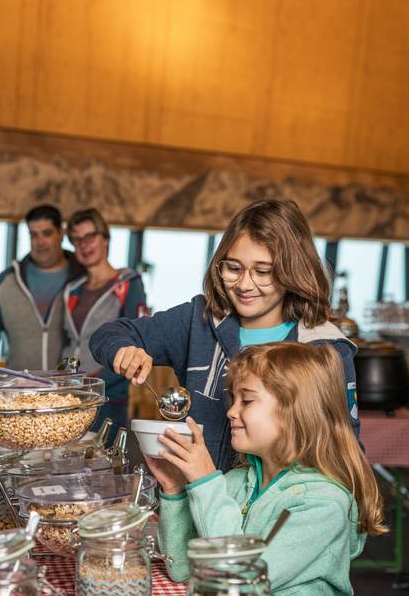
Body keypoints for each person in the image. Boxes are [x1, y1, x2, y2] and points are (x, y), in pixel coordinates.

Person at [147, 342, 386, 596]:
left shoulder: (323, 504)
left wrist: (205, 481)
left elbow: (238, 581)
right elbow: (183, 568)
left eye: (246, 400)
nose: (231, 411)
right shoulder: (236, 482)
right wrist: (174, 490)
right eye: (233, 398)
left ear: (295, 411)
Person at [90, 199, 360, 472]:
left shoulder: (323, 349)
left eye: (263, 272)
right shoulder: (197, 320)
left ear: (294, 270)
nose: (244, 284)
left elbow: (344, 453)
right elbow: (109, 333)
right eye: (233, 268)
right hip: (189, 494)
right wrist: (122, 349)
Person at [0, 205, 84, 371]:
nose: (40, 242)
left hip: (70, 386)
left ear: (61, 233)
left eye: (47, 233)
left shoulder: (84, 278)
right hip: (18, 384)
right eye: (33, 235)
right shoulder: (6, 282)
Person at [63, 208, 147, 432]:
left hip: (107, 396)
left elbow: (137, 338)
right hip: (69, 395)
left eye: (90, 236)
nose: (84, 245)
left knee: (101, 453)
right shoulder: (72, 290)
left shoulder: (128, 283)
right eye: (77, 240)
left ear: (105, 238)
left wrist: (96, 382)